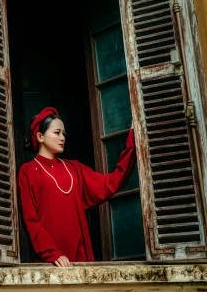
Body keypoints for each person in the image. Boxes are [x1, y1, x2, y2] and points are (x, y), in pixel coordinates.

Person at [18, 107, 136, 267]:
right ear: (40, 136)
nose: (62, 138)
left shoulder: (74, 168)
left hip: (79, 259)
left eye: (63, 133)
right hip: (50, 262)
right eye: (57, 132)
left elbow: (111, 183)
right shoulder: (28, 171)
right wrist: (52, 253)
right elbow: (30, 220)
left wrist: (133, 142)